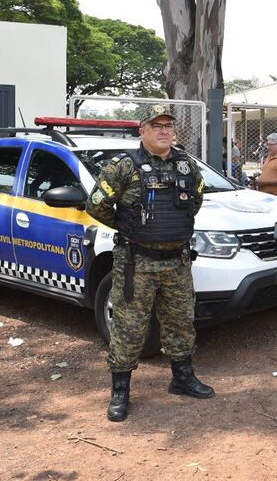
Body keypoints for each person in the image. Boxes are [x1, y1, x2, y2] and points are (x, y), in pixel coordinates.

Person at [86, 104, 212, 422]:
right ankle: (120, 391)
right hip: (136, 263)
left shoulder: (186, 165)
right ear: (142, 130)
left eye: (168, 125)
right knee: (129, 329)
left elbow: (194, 202)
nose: (164, 130)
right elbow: (96, 205)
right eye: (156, 125)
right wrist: (130, 226)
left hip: (177, 263)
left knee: (181, 323)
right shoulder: (123, 166)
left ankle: (182, 378)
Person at [251, 133, 277, 198]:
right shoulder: (268, 157)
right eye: (267, 144)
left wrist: (264, 183)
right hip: (264, 195)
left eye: (271, 145)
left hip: (275, 197)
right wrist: (257, 180)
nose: (268, 147)